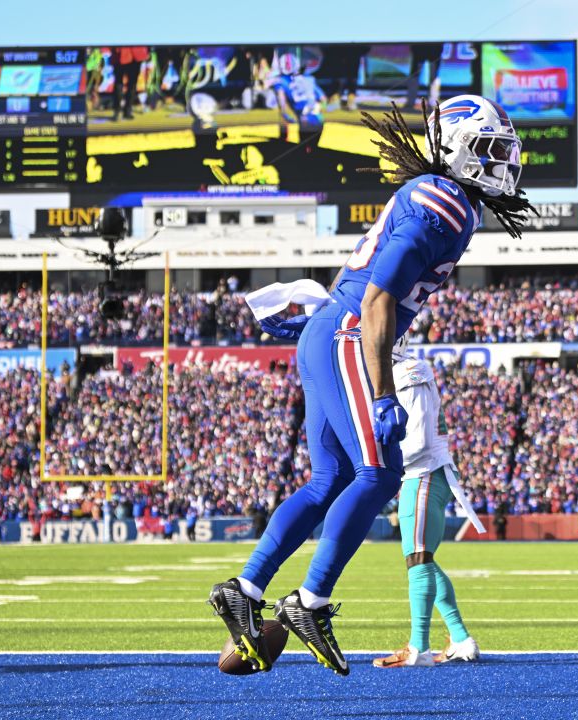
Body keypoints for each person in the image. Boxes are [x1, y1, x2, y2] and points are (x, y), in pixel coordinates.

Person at [208, 95, 530, 675]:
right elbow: (380, 297)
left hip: (328, 329)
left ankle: (247, 588)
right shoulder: (447, 201)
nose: (504, 163)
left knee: (328, 480)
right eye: (490, 149)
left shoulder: (444, 198)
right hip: (349, 332)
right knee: (378, 473)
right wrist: (383, 393)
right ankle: (309, 600)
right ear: (457, 148)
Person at [374, 339, 483, 668]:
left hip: (423, 473)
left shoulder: (408, 371)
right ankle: (461, 639)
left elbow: (418, 439)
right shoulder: (395, 374)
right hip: (420, 475)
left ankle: (418, 647)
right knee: (424, 562)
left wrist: (382, 461)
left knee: (419, 561)